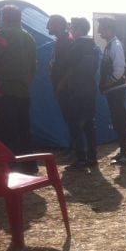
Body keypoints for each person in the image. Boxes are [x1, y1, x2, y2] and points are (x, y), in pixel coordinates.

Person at [0, 4, 38, 174]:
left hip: (4, 91)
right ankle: (30, 165)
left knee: (6, 130)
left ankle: (11, 168)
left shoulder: (2, 35)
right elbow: (34, 67)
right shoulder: (29, 37)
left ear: (4, 18)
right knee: (24, 128)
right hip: (23, 91)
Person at [61, 17, 100, 170]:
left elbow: (66, 64)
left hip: (77, 89)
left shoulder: (77, 45)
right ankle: (92, 157)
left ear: (78, 29)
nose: (70, 30)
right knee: (90, 124)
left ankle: (81, 158)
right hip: (90, 88)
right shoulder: (93, 45)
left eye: (72, 28)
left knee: (75, 124)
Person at [97, 17, 126, 165]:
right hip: (112, 90)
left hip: (116, 90)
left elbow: (119, 69)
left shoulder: (115, 45)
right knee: (117, 122)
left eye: (101, 28)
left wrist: (107, 82)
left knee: (120, 121)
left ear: (109, 29)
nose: (98, 31)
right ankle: (123, 151)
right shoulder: (110, 45)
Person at [47, 14, 75, 155]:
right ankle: (73, 146)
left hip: (66, 88)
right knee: (68, 117)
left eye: (50, 24)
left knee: (71, 116)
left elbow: (71, 67)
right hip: (61, 86)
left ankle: (75, 148)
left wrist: (61, 85)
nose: (47, 27)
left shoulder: (66, 41)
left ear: (58, 25)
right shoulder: (61, 40)